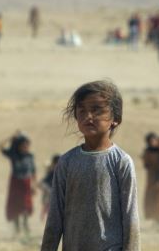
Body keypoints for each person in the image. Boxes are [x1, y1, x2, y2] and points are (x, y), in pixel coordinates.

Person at [41, 80, 140, 251]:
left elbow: (130, 218)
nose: (88, 116)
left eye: (96, 110)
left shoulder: (121, 162)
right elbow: (55, 217)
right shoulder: (66, 162)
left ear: (115, 119)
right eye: (82, 111)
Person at [0, 131, 36, 241]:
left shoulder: (30, 156)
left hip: (26, 183)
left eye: (27, 144)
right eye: (24, 144)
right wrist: (11, 137)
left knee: (25, 206)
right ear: (19, 145)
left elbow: (33, 171)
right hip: (15, 183)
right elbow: (0, 146)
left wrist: (33, 185)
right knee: (15, 206)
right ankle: (17, 229)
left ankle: (25, 227)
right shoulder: (13, 155)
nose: (26, 146)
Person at [142, 132, 159, 230]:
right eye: (151, 140)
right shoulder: (147, 152)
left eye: (154, 140)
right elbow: (146, 165)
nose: (153, 142)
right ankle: (154, 222)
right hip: (151, 179)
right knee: (150, 200)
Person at [38, 154, 59, 222]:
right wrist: (47, 189)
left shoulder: (62, 173)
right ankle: (43, 218)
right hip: (50, 195)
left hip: (57, 195)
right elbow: (42, 183)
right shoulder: (51, 173)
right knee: (47, 206)